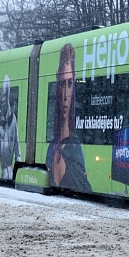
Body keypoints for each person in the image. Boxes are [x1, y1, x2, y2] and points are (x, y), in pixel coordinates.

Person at [46, 43, 92, 192]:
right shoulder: (51, 148)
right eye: (62, 84)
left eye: (70, 84)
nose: (66, 95)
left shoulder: (75, 150)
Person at [0, 75, 21, 179]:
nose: (2, 105)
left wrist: (18, 158)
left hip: (9, 166)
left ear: (7, 99)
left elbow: (16, 141)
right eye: (1, 102)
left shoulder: (13, 119)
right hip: (2, 165)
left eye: (4, 102)